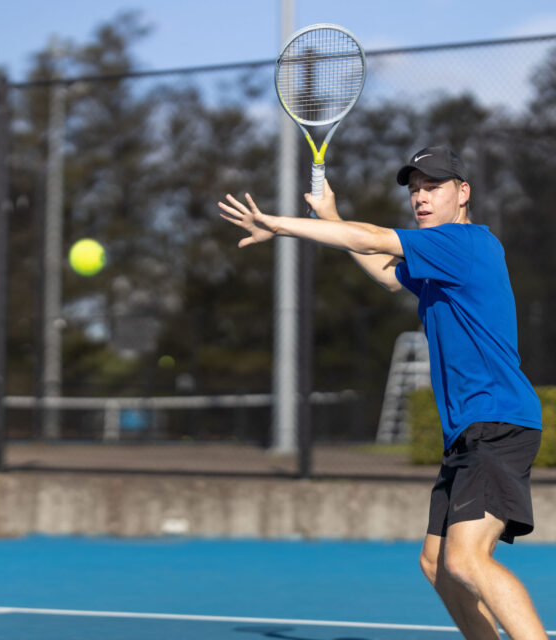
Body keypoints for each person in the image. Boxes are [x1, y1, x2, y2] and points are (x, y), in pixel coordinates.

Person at [218, 146, 546, 640]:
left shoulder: (466, 243)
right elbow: (387, 274)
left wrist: (281, 225)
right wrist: (330, 216)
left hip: (497, 422)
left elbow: (373, 238)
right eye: (414, 189)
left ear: (463, 193)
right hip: (471, 431)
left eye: (433, 187)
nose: (421, 197)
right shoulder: (440, 260)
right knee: (437, 562)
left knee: (466, 559)